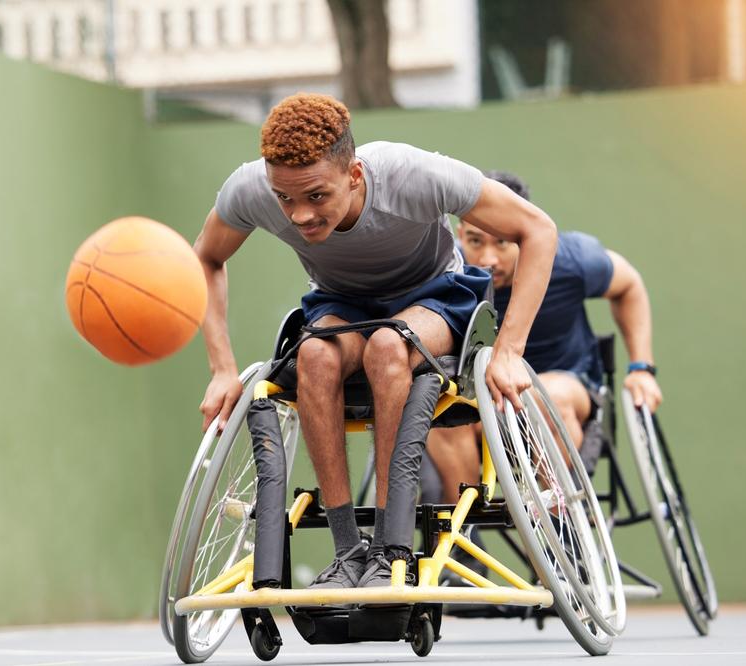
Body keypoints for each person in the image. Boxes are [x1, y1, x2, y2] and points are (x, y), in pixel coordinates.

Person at [192, 95, 558, 591]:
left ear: (355, 175)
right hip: (341, 302)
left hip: (434, 296)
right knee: (314, 356)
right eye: (286, 199)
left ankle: (391, 547)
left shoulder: (413, 175)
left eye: (317, 196)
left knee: (388, 345)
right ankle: (349, 552)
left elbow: (538, 228)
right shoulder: (251, 189)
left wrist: (510, 351)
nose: (299, 215)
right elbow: (205, 259)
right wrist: (221, 367)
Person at [427, 170, 663, 512]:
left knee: (542, 398)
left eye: (502, 243)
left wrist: (642, 367)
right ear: (461, 233)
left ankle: (559, 535)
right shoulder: (448, 270)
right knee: (440, 418)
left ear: (525, 234)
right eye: (476, 241)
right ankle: (467, 536)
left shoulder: (571, 260)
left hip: (566, 389)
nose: (489, 259)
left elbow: (629, 285)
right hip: (484, 406)